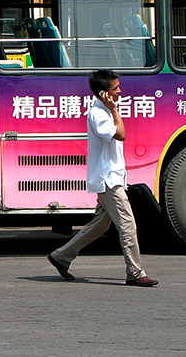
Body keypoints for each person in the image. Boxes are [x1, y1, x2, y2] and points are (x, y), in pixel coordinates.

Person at [47, 69, 159, 287]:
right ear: (104, 93)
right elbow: (121, 134)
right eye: (115, 89)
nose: (120, 92)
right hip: (109, 180)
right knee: (127, 225)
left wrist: (113, 110)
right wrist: (115, 110)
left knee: (99, 225)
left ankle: (61, 256)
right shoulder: (98, 114)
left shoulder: (105, 111)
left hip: (113, 176)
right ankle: (135, 273)